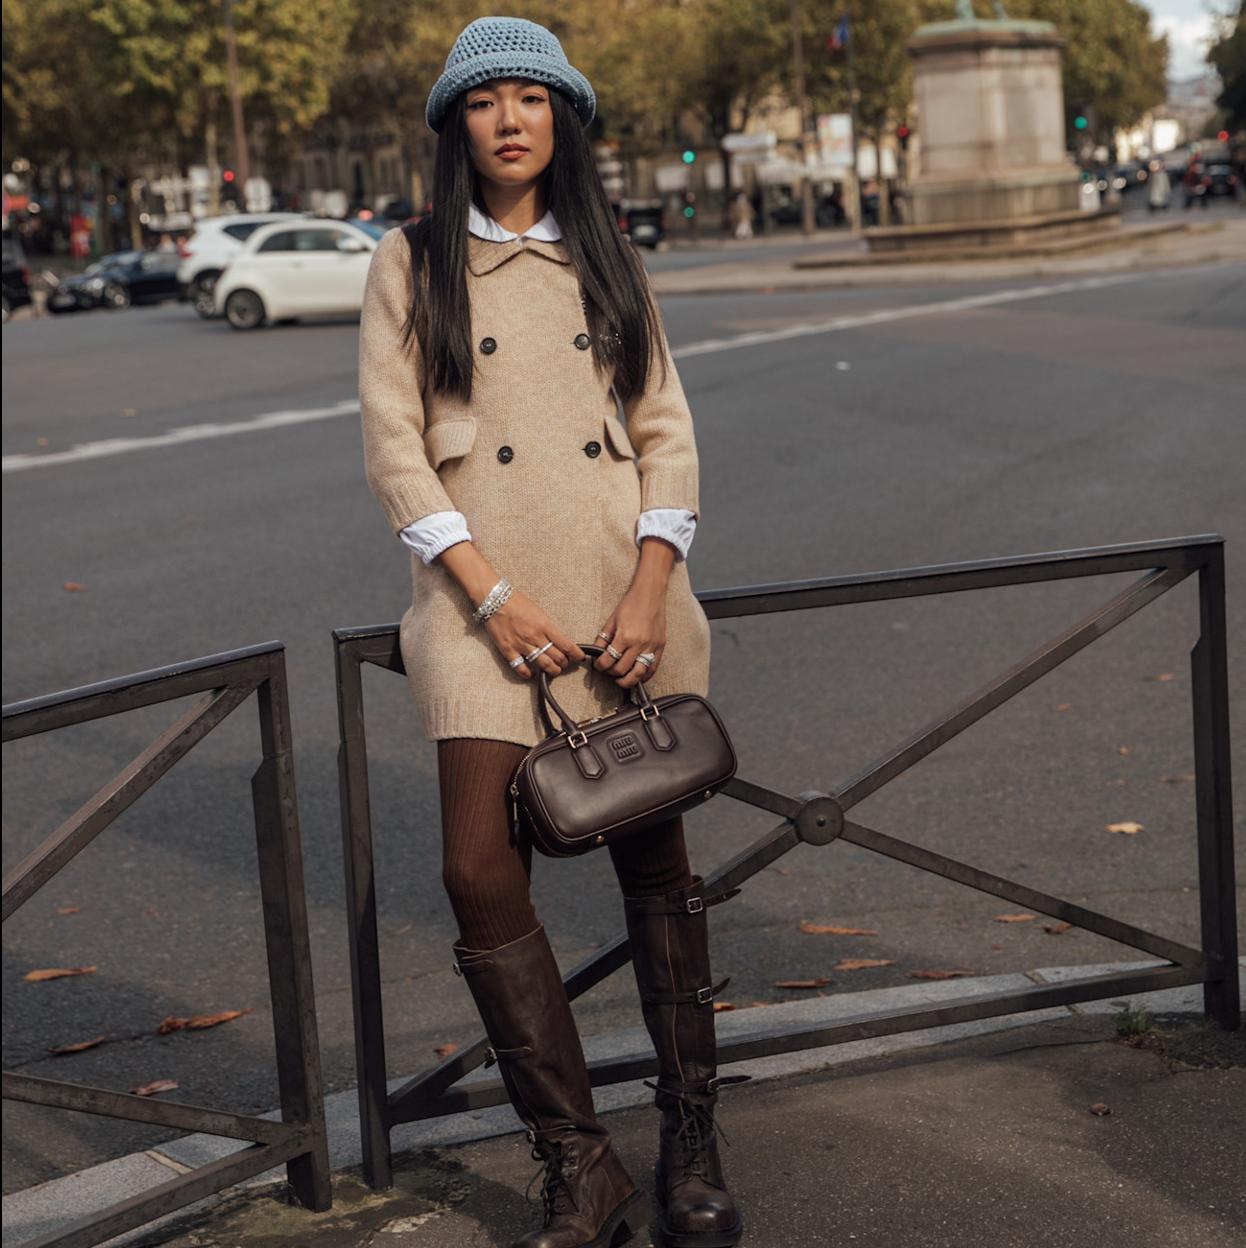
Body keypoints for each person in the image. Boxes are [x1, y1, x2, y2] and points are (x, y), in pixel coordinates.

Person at [357, 17, 742, 1248]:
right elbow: (395, 452)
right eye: (485, 101)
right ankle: (580, 1164)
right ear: (453, 125)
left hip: (623, 598)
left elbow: (665, 428)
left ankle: (690, 1141)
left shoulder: (609, 252)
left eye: (533, 97)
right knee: (477, 867)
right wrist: (488, 595)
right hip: (485, 606)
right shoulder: (410, 261)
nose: (510, 119)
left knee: (656, 873)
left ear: (565, 120)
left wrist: (647, 588)